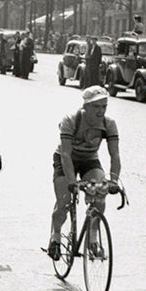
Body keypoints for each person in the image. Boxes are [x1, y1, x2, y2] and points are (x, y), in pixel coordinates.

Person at [48, 84, 121, 262]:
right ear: (86, 106)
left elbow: (115, 155)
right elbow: (65, 154)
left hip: (89, 160)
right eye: (96, 106)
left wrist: (113, 180)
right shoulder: (71, 120)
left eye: (104, 106)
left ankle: (93, 240)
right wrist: (72, 182)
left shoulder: (108, 124)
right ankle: (55, 236)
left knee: (100, 194)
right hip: (66, 159)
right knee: (64, 201)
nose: (100, 111)